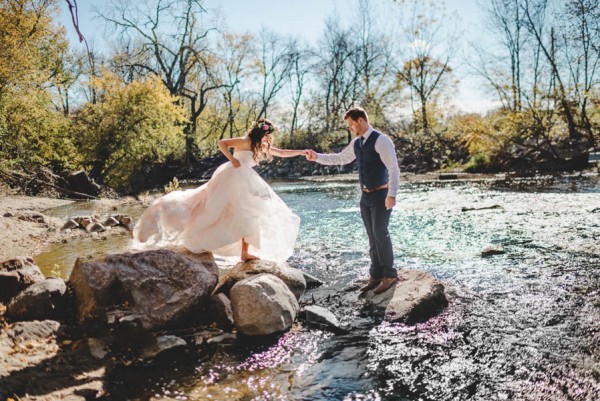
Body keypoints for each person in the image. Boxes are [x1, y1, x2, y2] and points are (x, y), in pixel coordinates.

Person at [133, 118, 305, 262]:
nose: (269, 137)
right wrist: (233, 159)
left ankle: (245, 252)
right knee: (211, 209)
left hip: (245, 180)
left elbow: (282, 152)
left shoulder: (261, 145)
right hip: (231, 176)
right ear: (262, 132)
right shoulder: (245, 141)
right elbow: (222, 143)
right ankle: (178, 227)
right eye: (268, 134)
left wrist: (302, 152)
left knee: (251, 213)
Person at [305, 107, 401, 294]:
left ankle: (390, 275)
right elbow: (339, 158)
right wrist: (316, 157)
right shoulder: (357, 143)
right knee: (371, 236)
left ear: (360, 120)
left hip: (382, 194)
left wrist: (392, 194)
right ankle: (376, 275)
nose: (350, 128)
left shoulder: (382, 140)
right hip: (365, 197)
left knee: (380, 233)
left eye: (350, 125)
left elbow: (394, 169)